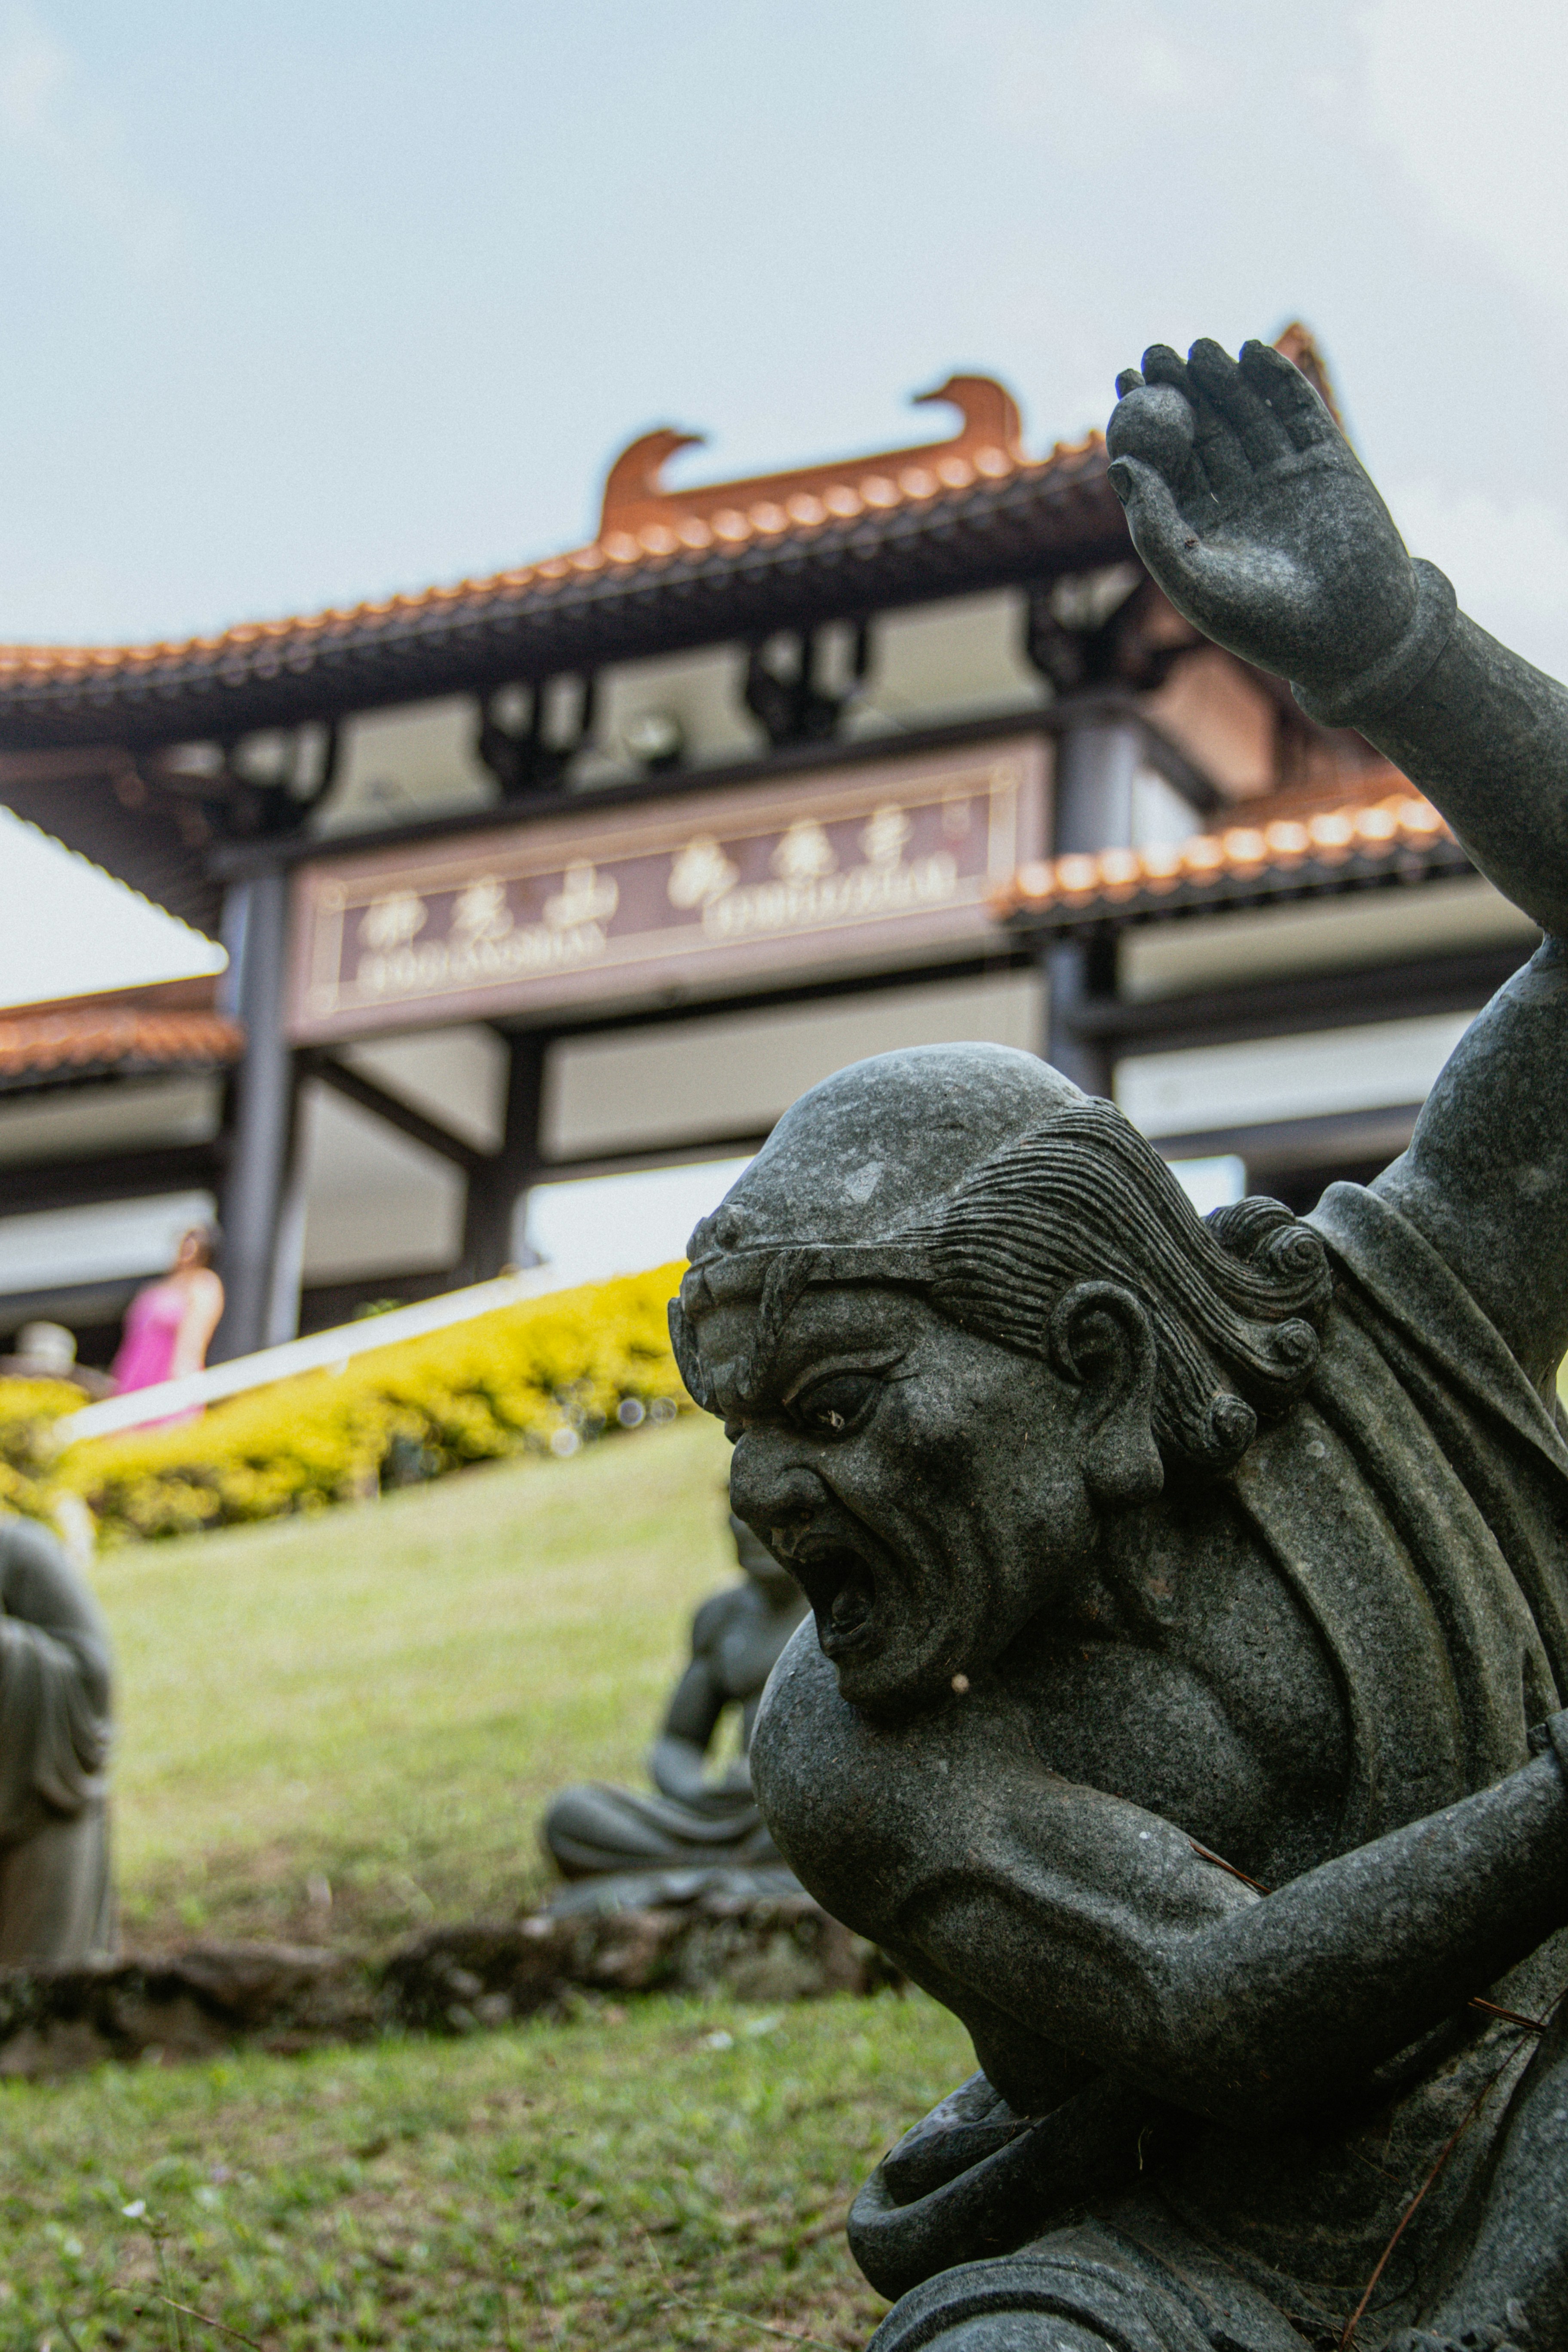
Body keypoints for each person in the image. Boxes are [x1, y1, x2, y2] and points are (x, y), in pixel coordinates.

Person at [670, 338, 1568, 2352]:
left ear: (1086, 1357)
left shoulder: (1394, 1328)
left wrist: (1396, 653)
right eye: (744, 1423)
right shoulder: (844, 1735)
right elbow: (1216, 2014)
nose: (765, 1490)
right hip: (1195, 2238)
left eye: (830, 1407)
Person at [541, 1510, 808, 1896]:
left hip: (798, 1808)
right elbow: (678, 1740)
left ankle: (714, 1876)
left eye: (767, 1511)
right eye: (739, 1512)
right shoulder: (721, 1618)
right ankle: (726, 1876)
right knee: (571, 1815)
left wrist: (778, 1781)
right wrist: (696, 1789)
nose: (750, 1528)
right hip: (723, 1815)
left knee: (832, 1818)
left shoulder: (843, 1611)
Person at [0, 1513, 115, 1966]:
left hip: (40, 1801)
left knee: (41, 1992)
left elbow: (94, 1678)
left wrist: (7, 1652)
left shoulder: (19, 1550)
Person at [110, 1225, 224, 1397]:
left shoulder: (203, 1284)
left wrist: (180, 1384)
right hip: (134, 1374)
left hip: (167, 1377)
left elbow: (193, 1341)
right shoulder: (158, 1285)